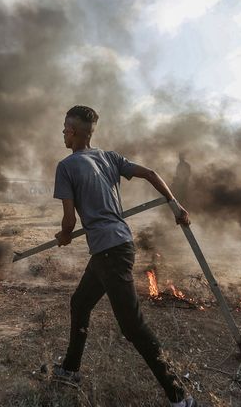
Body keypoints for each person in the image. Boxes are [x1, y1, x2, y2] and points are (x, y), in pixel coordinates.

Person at [51, 106, 197, 407]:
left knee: (132, 326)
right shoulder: (110, 157)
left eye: (65, 127)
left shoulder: (66, 167)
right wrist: (176, 205)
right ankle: (70, 370)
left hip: (108, 252)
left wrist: (64, 236)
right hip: (119, 245)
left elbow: (69, 222)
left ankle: (181, 398)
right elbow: (151, 174)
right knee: (80, 302)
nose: (63, 132)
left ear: (73, 131)